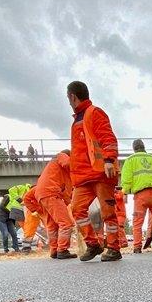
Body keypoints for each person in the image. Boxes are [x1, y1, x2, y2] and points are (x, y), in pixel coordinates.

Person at [66, 80, 122, 262]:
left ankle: (114, 248)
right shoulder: (78, 119)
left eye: (68, 98)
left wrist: (108, 160)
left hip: (100, 173)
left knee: (108, 212)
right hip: (83, 177)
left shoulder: (94, 113)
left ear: (72, 96)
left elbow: (108, 137)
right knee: (77, 210)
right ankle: (93, 244)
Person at [120, 138, 152, 254]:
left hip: (141, 196)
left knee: (137, 222)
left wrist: (124, 191)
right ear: (143, 147)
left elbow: (126, 179)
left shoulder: (130, 160)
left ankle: (137, 246)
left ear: (134, 148)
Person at [32, 150, 76, 259]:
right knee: (66, 223)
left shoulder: (59, 171)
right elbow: (67, 163)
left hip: (43, 195)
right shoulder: (61, 156)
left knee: (52, 226)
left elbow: (66, 193)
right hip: (51, 192)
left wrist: (69, 202)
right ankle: (62, 250)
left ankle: (54, 250)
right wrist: (79, 166)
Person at [0, 184, 30, 253]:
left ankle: (16, 248)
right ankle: (6, 249)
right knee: (5, 233)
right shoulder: (8, 197)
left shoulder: (21, 202)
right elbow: (1, 207)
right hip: (0, 216)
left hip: (10, 218)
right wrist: (11, 209)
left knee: (14, 233)